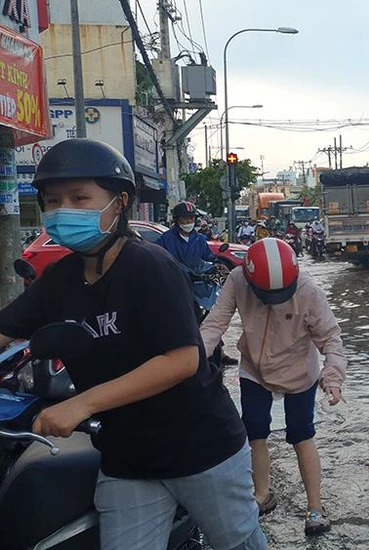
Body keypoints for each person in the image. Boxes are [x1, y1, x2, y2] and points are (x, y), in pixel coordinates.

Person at [0, 139, 265, 549]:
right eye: (53, 201)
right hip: (126, 460)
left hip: (200, 449)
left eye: (80, 197)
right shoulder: (59, 279)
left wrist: (83, 403)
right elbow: (6, 328)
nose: (63, 210)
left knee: (239, 543)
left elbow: (181, 360)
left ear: (119, 202)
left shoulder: (150, 267)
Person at [200, 238, 347, 536]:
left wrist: (332, 377)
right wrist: (190, 361)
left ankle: (315, 507)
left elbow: (331, 339)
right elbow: (215, 324)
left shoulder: (308, 291)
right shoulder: (238, 279)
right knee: (254, 430)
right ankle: (262, 495)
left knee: (301, 434)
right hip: (254, 366)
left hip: (298, 373)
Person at [156, 201, 217, 272]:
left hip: (198, 280)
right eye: (185, 218)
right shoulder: (166, 239)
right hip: (174, 279)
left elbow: (208, 258)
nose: (189, 221)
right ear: (177, 220)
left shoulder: (200, 239)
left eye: (191, 218)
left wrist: (217, 263)